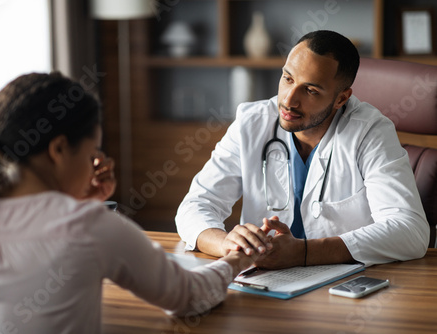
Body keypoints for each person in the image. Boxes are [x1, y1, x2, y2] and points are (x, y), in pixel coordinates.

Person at [0, 72, 257, 334]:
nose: (95, 163)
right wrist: (236, 260)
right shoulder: (89, 225)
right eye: (92, 153)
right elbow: (186, 296)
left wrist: (75, 199)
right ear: (59, 149)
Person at [176, 30, 429, 269]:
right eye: (287, 78)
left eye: (310, 90)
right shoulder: (252, 123)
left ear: (341, 98)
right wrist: (226, 244)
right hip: (263, 282)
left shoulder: (370, 132)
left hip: (344, 287)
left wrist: (305, 253)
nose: (288, 100)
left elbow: (410, 231)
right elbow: (196, 205)